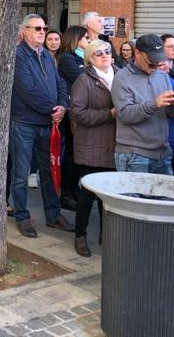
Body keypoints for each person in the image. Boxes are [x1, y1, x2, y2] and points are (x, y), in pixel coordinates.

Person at [9, 14, 73, 238]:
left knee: (49, 172)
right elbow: (27, 90)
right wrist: (52, 109)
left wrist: (63, 106)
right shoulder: (18, 55)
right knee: (20, 173)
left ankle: (53, 215)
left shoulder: (46, 54)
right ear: (24, 31)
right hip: (24, 123)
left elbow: (60, 83)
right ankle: (22, 216)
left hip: (47, 123)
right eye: (37, 28)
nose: (42, 32)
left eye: (44, 28)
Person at [70, 40, 117, 257]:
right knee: (87, 194)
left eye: (107, 51)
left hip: (114, 143)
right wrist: (109, 114)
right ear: (90, 58)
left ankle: (105, 234)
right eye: (99, 53)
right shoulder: (84, 80)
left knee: (108, 194)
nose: (105, 55)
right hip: (91, 145)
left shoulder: (119, 75)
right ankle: (80, 234)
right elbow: (78, 113)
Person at [112, 34, 174, 174]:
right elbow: (125, 114)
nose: (156, 65)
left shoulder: (163, 76)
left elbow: (171, 114)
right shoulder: (122, 78)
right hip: (134, 155)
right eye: (152, 61)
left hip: (163, 153)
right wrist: (154, 104)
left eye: (159, 61)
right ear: (137, 53)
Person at [57, 26, 90, 211]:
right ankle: (66, 193)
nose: (88, 41)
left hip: (82, 111)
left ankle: (74, 189)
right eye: (85, 38)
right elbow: (84, 78)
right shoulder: (67, 59)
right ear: (76, 40)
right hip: (71, 112)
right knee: (70, 153)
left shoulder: (84, 58)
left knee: (78, 153)